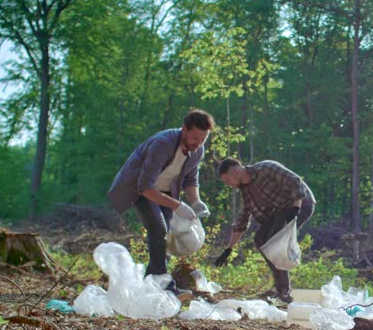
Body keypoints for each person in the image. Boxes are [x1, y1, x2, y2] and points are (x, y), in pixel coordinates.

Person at [108, 109, 215, 299]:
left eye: (203, 139)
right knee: (158, 228)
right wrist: (178, 206)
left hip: (166, 193)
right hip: (141, 190)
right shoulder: (162, 144)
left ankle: (151, 284)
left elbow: (191, 179)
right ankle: (166, 285)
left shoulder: (197, 151)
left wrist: (196, 202)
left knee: (163, 237)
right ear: (184, 129)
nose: (198, 143)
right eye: (195, 137)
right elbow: (144, 187)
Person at [213, 157, 316, 303]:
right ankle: (279, 287)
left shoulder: (266, 168)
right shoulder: (246, 191)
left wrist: (296, 207)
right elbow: (242, 220)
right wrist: (228, 249)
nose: (228, 184)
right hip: (279, 211)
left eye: (227, 180)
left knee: (274, 242)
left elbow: (295, 180)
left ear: (235, 171)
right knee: (260, 240)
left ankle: (284, 292)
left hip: (300, 204)